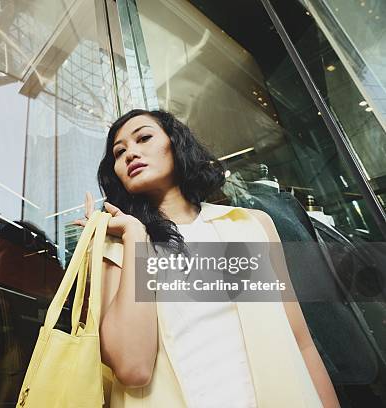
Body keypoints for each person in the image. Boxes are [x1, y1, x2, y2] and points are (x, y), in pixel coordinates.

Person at [73, 109, 340, 407]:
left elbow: (301, 343)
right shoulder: (117, 248)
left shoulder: (251, 224)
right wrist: (135, 235)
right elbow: (132, 368)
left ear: (176, 144)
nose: (130, 154)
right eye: (119, 153)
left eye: (144, 138)